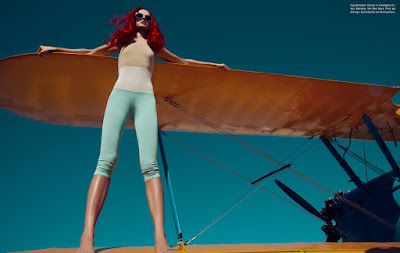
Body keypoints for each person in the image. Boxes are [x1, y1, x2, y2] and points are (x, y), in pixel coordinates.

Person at [37, 7, 229, 253]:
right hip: (120, 96)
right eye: (140, 16)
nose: (144, 20)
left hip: (145, 100)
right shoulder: (122, 42)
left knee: (150, 165)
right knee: (105, 161)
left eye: (149, 18)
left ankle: (160, 239)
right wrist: (57, 49)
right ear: (132, 19)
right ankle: (87, 238)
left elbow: (184, 61)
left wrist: (214, 65)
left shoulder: (155, 48)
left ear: (152, 24)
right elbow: (90, 53)